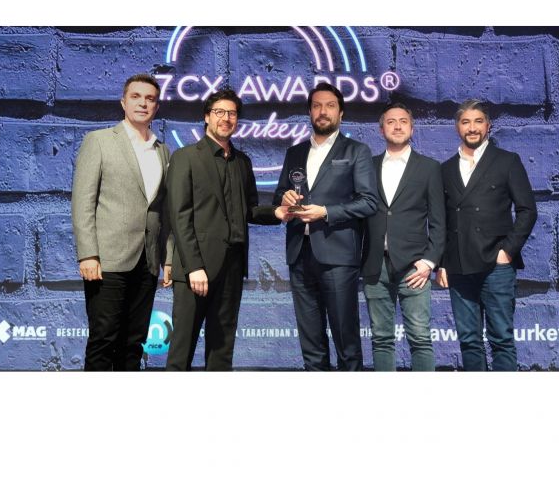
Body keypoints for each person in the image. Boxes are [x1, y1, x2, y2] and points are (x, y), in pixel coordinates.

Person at [165, 89, 292, 371]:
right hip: (196, 269)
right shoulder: (185, 157)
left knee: (222, 351)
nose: (226, 118)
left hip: (232, 267)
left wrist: (277, 213)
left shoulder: (242, 162)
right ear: (206, 117)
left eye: (232, 113)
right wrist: (194, 267)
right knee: (181, 350)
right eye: (219, 112)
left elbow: (248, 210)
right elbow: (179, 216)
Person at [275, 82, 378, 371]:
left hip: (338, 257)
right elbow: (280, 193)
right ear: (309, 111)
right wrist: (284, 198)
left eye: (330, 106)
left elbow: (369, 202)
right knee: (311, 344)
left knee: (346, 341)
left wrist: (326, 212)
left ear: (341, 113)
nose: (323, 111)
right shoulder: (294, 152)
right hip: (299, 254)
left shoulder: (356, 151)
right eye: (317, 106)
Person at [71, 73, 171, 371]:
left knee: (134, 343)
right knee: (103, 340)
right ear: (123, 102)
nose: (143, 103)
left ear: (156, 107)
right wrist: (88, 254)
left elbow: (163, 211)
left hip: (147, 261)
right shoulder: (99, 141)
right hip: (107, 260)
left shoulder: (163, 150)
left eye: (150, 99)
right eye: (136, 97)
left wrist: (168, 259)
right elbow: (83, 202)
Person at [437, 99, 537, 371]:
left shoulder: (507, 161)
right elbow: (442, 219)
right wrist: (442, 262)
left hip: (496, 265)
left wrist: (507, 251)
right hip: (459, 266)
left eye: (478, 121)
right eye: (466, 122)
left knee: (501, 339)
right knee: (469, 341)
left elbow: (528, 210)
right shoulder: (445, 169)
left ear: (488, 126)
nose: (472, 128)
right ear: (457, 127)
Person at [361, 102, 445, 371]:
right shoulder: (367, 167)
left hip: (414, 266)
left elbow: (439, 221)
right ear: (381, 129)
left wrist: (429, 262)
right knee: (381, 339)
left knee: (419, 338)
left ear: (412, 128)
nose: (397, 126)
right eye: (390, 122)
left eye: (403, 121)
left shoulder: (429, 168)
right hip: (375, 265)